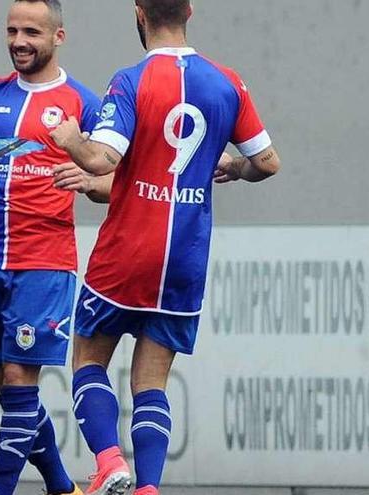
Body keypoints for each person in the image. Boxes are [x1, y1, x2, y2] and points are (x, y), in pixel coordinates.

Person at [49, 1, 281, 493]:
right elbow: (267, 162)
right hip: (185, 258)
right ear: (190, 11)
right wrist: (235, 168)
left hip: (129, 250)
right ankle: (149, 487)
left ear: (139, 12)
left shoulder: (132, 81)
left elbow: (101, 156)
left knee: (88, 360)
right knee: (151, 381)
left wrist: (71, 139)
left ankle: (110, 463)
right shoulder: (227, 83)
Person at [0, 1, 101, 494]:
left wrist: (95, 180)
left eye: (31, 31)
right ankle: (61, 486)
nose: (18, 40)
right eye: (12, 30)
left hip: (44, 261)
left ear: (59, 37)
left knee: (18, 379)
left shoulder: (84, 103)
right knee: (7, 387)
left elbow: (121, 174)